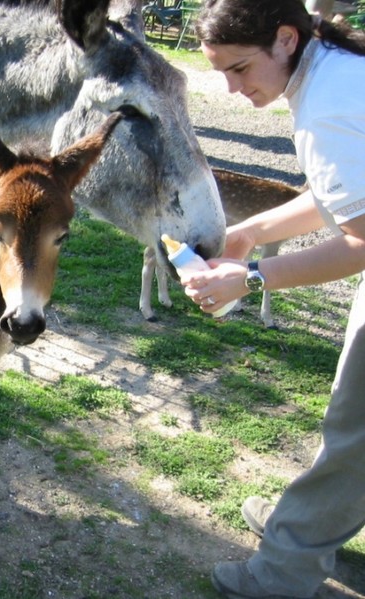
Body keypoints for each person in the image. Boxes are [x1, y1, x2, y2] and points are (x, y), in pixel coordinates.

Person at [183, 1, 365, 597]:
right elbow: (336, 193)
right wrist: (253, 230)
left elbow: (362, 242)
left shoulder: (328, 105)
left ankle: (283, 570)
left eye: (239, 69)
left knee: (356, 433)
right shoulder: (334, 71)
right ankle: (307, 521)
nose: (234, 90)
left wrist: (253, 276)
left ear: (285, 39)